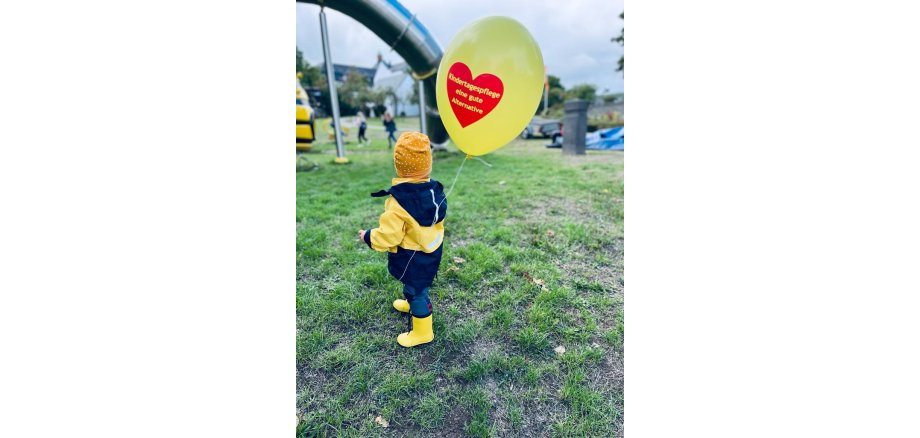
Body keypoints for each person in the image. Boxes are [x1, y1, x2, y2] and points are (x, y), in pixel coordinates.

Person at [359, 132, 446, 348]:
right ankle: (410, 303)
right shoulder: (434, 190)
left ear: (399, 166)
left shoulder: (399, 202)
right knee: (413, 284)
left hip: (412, 256)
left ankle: (423, 332)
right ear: (428, 164)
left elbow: (389, 236)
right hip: (431, 251)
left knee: (418, 292)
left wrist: (369, 236)